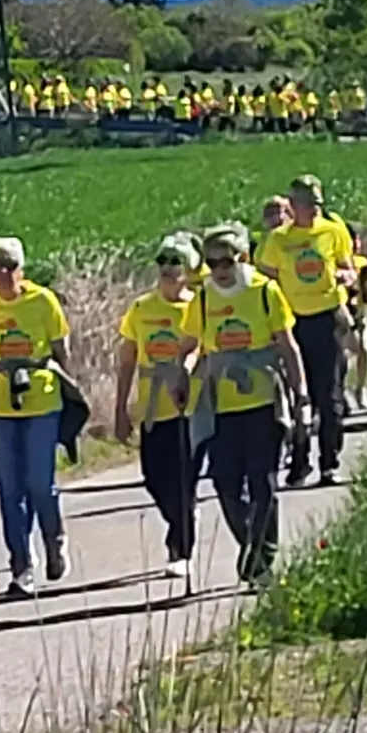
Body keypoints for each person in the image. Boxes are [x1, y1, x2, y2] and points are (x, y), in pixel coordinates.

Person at [0, 237, 73, 597]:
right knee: (10, 489)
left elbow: (61, 348)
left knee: (40, 483)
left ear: (21, 268)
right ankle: (21, 566)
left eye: (10, 267)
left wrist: (65, 385)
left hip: (41, 399)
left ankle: (54, 538)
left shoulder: (42, 301)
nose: (3, 274)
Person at [190, 225, 298, 579]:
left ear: (243, 258)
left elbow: (287, 345)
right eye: (212, 264)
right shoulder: (203, 298)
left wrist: (301, 395)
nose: (219, 270)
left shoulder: (265, 291)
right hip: (221, 407)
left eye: (226, 262)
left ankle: (263, 556)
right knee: (226, 485)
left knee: (263, 482)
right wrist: (181, 376)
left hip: (263, 401)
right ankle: (252, 543)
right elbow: (191, 346)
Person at [254, 180, 359, 486]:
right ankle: (299, 462)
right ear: (292, 205)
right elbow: (267, 282)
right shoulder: (279, 240)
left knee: (330, 396)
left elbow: (349, 268)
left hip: (327, 319)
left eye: (316, 204)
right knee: (299, 397)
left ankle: (329, 463)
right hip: (293, 323)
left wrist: (345, 275)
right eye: (306, 204)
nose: (313, 210)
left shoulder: (333, 231)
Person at [114, 238, 205, 582]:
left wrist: (186, 371)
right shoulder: (141, 308)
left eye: (176, 262)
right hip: (153, 408)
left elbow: (203, 348)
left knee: (184, 482)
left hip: (189, 407)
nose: (168, 268)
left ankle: (181, 550)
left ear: (189, 269)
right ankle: (183, 519)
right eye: (163, 261)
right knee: (154, 479)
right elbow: (127, 360)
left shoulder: (198, 307)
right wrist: (121, 410)